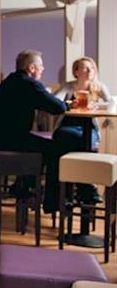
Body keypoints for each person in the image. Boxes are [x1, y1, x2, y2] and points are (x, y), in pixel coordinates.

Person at [0, 50, 67, 212]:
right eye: (41, 66)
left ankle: (24, 187)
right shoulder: (30, 84)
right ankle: (51, 201)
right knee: (56, 148)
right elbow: (59, 107)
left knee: (40, 144)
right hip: (10, 140)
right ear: (31, 68)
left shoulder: (10, 80)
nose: (43, 69)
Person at [52, 56, 113, 203]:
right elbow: (55, 100)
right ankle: (84, 189)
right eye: (85, 68)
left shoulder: (98, 86)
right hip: (68, 124)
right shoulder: (69, 86)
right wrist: (70, 103)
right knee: (63, 137)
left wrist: (96, 105)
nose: (89, 71)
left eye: (91, 68)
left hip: (88, 126)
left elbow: (110, 103)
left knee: (81, 140)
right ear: (76, 71)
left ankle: (75, 190)